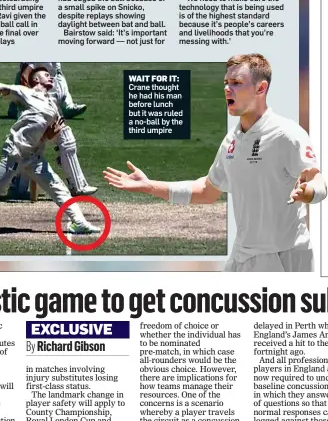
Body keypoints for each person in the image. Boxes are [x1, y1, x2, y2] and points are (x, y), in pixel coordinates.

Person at [104, 54, 327, 273]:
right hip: (242, 257)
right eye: (226, 83)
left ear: (261, 89)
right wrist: (148, 185)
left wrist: (310, 192)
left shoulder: (286, 134)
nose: (227, 89)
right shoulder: (232, 140)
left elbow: (318, 181)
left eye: (237, 83)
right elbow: (207, 191)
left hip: (283, 260)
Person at [0, 67, 100, 236]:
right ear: (36, 80)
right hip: (14, 151)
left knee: (58, 187)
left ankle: (79, 222)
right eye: (46, 75)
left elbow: (45, 135)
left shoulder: (53, 106)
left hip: (34, 157)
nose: (50, 77)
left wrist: (49, 136)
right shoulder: (24, 92)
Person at [9, 63, 96, 197]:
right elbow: (24, 77)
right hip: (36, 106)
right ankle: (17, 188)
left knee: (64, 136)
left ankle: (78, 186)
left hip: (48, 102)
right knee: (30, 145)